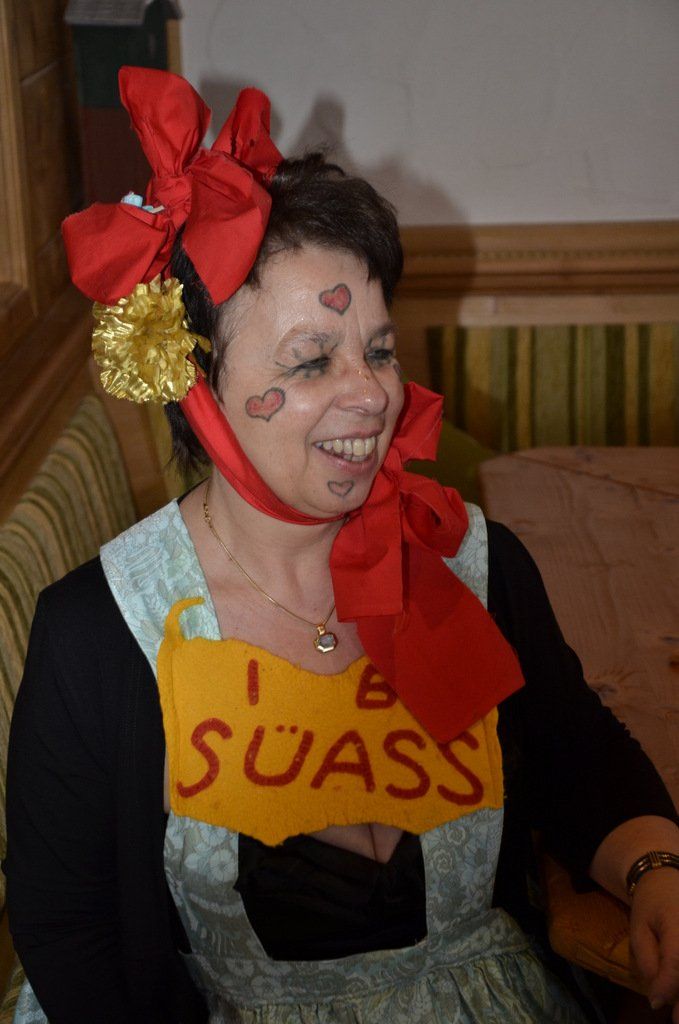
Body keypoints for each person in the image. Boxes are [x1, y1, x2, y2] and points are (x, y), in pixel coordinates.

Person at [4, 66, 679, 1024]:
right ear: (197, 384)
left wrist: (655, 868)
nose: (371, 394)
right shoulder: (98, 633)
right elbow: (69, 929)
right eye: (312, 361)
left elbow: (579, 759)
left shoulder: (470, 564)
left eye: (378, 350)